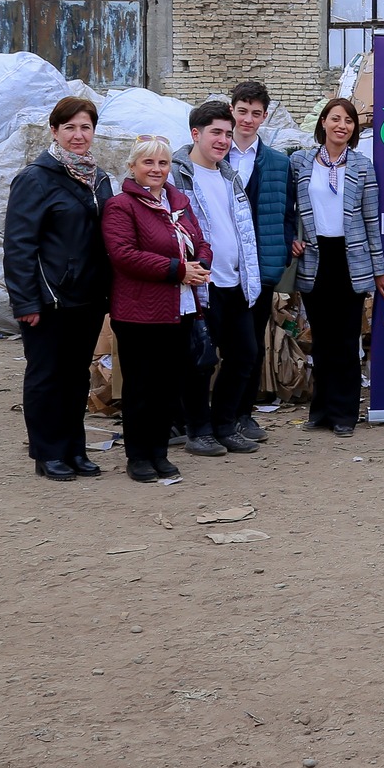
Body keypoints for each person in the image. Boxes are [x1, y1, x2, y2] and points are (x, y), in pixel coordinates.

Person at [4, 95, 117, 481]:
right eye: (69, 127)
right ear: (54, 131)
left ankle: (74, 449)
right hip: (49, 299)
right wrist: (25, 301)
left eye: (85, 127)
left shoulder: (99, 179)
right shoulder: (35, 179)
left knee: (75, 376)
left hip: (87, 297)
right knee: (46, 376)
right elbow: (18, 246)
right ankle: (48, 453)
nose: (78, 135)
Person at [101, 135, 211, 483]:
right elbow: (124, 254)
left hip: (179, 309)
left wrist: (201, 263)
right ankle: (138, 456)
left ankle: (159, 453)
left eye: (163, 163)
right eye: (148, 162)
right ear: (132, 167)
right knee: (140, 387)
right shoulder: (121, 206)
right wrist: (179, 270)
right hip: (139, 312)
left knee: (167, 386)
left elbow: (200, 240)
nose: (156, 169)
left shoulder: (178, 202)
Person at [289, 97, 384, 438]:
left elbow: (371, 220)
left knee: (346, 341)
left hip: (351, 260)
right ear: (323, 122)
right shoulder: (301, 162)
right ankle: (320, 410)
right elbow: (290, 210)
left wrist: (378, 268)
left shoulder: (362, 166)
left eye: (348, 121)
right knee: (321, 340)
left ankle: (344, 413)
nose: (341, 126)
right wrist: (293, 239)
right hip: (315, 258)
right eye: (335, 119)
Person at [171, 100, 265, 458]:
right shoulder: (177, 177)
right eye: (216, 132)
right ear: (196, 134)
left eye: (227, 133)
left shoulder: (230, 176)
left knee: (244, 356)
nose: (223, 140)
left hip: (235, 283)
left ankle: (225, 425)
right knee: (200, 362)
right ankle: (199, 431)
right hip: (201, 286)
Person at [226, 80, 298, 436]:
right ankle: (206, 417)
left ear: (264, 116)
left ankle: (243, 413)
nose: (248, 119)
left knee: (251, 343)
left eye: (256, 113)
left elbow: (287, 213)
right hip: (220, 266)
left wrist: (282, 248)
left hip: (260, 265)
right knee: (214, 342)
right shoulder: (214, 155)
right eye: (242, 111)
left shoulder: (278, 163)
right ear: (232, 111)